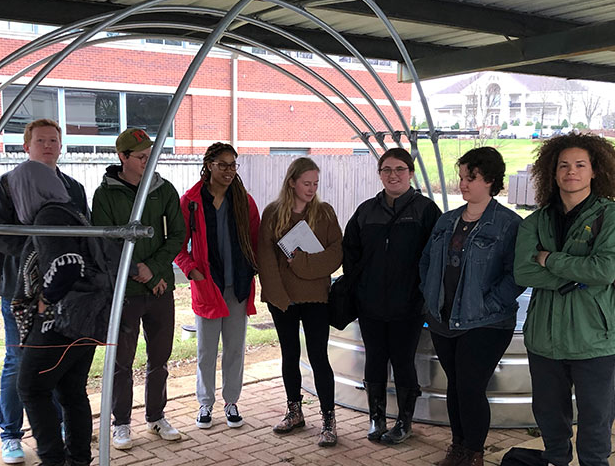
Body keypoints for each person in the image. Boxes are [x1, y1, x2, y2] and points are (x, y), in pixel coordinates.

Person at [514, 133, 615, 466]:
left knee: (596, 413)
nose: (571, 172)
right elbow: (523, 270)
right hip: (544, 334)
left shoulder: (611, 218)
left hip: (593, 334)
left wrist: (551, 260)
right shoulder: (537, 220)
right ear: (552, 171)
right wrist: (569, 274)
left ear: (596, 170)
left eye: (580, 165)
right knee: (549, 408)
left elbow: (603, 271)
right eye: (563, 165)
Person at [0, 118, 88, 465]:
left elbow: (83, 235)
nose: (47, 146)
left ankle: (54, 426)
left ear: (61, 147)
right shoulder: (7, 185)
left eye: (53, 141)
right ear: (26, 147)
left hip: (59, 291)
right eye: (40, 140)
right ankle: (10, 435)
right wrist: (40, 248)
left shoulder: (72, 188)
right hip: (18, 288)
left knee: (55, 360)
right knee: (18, 360)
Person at [9, 159, 115, 466]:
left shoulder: (49, 216)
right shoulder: (70, 210)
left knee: (30, 386)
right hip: (86, 318)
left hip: (62, 322)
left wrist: (45, 299)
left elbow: (66, 264)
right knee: (71, 392)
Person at [419, 147, 524, 466]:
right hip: (444, 320)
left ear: (490, 180)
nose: (463, 184)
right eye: (462, 177)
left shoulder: (508, 225)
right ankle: (460, 446)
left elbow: (517, 275)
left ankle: (475, 456)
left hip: (486, 323)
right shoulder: (447, 220)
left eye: (471, 178)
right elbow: (426, 263)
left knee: (470, 386)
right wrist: (429, 297)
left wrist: (489, 303)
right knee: (456, 386)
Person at [91, 128, 186, 450]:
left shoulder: (164, 190)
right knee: (121, 361)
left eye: (151, 155)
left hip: (160, 289)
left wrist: (156, 270)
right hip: (125, 292)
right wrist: (140, 273)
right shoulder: (105, 194)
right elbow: (104, 242)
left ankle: (156, 416)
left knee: (160, 358)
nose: (148, 161)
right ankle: (121, 423)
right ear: (123, 157)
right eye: (142, 157)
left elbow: (177, 235)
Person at [343, 147, 441, 445]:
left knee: (402, 361)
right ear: (379, 174)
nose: (393, 175)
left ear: (410, 173)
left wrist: (424, 296)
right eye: (386, 170)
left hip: (409, 306)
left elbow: (435, 258)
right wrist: (360, 289)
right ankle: (376, 418)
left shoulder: (425, 211)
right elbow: (350, 254)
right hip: (371, 305)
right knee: (374, 359)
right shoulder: (366, 211)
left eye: (400, 169)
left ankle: (404, 420)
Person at [258, 158, 343, 447]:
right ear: (292, 181)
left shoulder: (325, 213)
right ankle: (295, 411)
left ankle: (328, 420)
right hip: (284, 299)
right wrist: (277, 295)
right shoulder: (272, 214)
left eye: (315, 184)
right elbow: (266, 259)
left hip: (316, 297)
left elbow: (335, 255)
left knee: (319, 357)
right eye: (306, 183)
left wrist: (303, 264)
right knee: (289, 354)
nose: (311, 189)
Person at [175, 142, 260, 429]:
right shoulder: (191, 201)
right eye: (222, 164)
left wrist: (253, 270)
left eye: (233, 165)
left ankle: (231, 402)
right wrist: (191, 270)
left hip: (237, 287)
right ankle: (205, 404)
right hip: (207, 287)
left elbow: (256, 241)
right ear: (209, 164)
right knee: (206, 351)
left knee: (235, 348)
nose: (229, 170)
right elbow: (177, 244)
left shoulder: (244, 202)